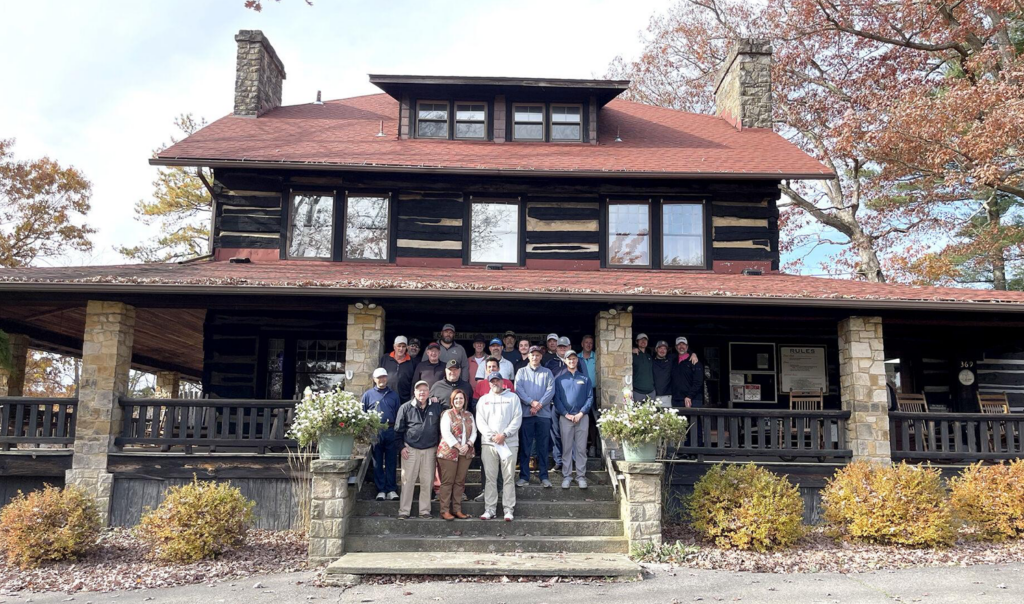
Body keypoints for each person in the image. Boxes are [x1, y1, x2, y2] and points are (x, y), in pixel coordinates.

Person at [475, 371, 522, 521]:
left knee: (508, 477)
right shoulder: (483, 400)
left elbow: (517, 419)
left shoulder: (513, 398)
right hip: (489, 444)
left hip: (509, 443)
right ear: (489, 383)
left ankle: (508, 509)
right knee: (490, 478)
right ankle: (490, 509)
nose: (495, 383)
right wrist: (493, 436)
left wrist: (505, 435)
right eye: (492, 381)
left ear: (503, 382)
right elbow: (480, 421)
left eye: (497, 381)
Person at [394, 380, 443, 519]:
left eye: (425, 390)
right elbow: (397, 431)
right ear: (414, 392)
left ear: (429, 393)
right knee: (407, 481)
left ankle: (425, 511)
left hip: (430, 449)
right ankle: (404, 511)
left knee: (427, 482)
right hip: (410, 449)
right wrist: (401, 447)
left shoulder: (436, 407)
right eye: (419, 390)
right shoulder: (405, 408)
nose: (422, 392)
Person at [514, 345, 555, 488]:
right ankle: (524, 477)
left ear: (541, 356)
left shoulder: (547, 372)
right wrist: (531, 402)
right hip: (526, 415)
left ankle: (544, 476)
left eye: (537, 355)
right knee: (526, 446)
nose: (535, 357)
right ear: (529, 356)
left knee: (543, 447)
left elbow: (551, 390)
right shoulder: (521, 372)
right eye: (532, 355)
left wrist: (538, 405)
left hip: (543, 415)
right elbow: (518, 389)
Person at [553, 350, 593, 489]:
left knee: (581, 448)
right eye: (569, 359)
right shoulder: (559, 380)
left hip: (582, 417)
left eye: (574, 359)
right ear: (565, 361)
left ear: (577, 360)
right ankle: (567, 476)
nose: (571, 361)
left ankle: (581, 476)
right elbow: (556, 399)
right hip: (566, 418)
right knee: (567, 448)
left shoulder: (585, 379)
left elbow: (590, 398)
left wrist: (581, 413)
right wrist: (566, 414)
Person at [361, 368, 402, 501]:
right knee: (377, 462)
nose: (381, 380)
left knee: (391, 461)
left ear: (387, 378)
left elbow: (398, 414)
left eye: (384, 377)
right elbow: (362, 414)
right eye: (379, 378)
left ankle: (391, 489)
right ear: (374, 379)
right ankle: (381, 490)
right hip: (375, 431)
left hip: (390, 430)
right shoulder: (367, 395)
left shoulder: (394, 395)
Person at [437, 390, 476, 520]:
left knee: (460, 482)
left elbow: (474, 432)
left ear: (465, 400)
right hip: (449, 453)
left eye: (461, 398)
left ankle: (457, 510)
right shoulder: (447, 414)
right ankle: (445, 510)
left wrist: (468, 445)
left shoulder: (469, 415)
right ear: (452, 401)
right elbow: (445, 432)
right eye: (456, 399)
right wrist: (458, 446)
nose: (459, 401)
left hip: (466, 452)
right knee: (448, 482)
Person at [671, 336, 705, 446]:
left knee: (694, 425)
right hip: (678, 399)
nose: (681, 346)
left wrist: (689, 396)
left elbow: (698, 381)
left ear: (687, 346)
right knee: (681, 427)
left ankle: (696, 451)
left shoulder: (694, 361)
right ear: (676, 347)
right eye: (679, 345)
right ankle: (683, 451)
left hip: (693, 399)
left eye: (683, 344)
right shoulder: (673, 361)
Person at [380, 336, 415, 402]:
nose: (401, 349)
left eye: (403, 346)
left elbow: (413, 382)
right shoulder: (385, 358)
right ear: (394, 346)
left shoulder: (412, 362)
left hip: (404, 399)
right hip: (386, 397)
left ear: (407, 347)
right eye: (399, 346)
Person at [632, 333, 655, 403]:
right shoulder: (632, 355)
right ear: (636, 342)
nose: (643, 341)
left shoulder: (650, 356)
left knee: (651, 413)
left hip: (651, 392)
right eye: (641, 340)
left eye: (645, 340)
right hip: (637, 392)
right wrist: (631, 349)